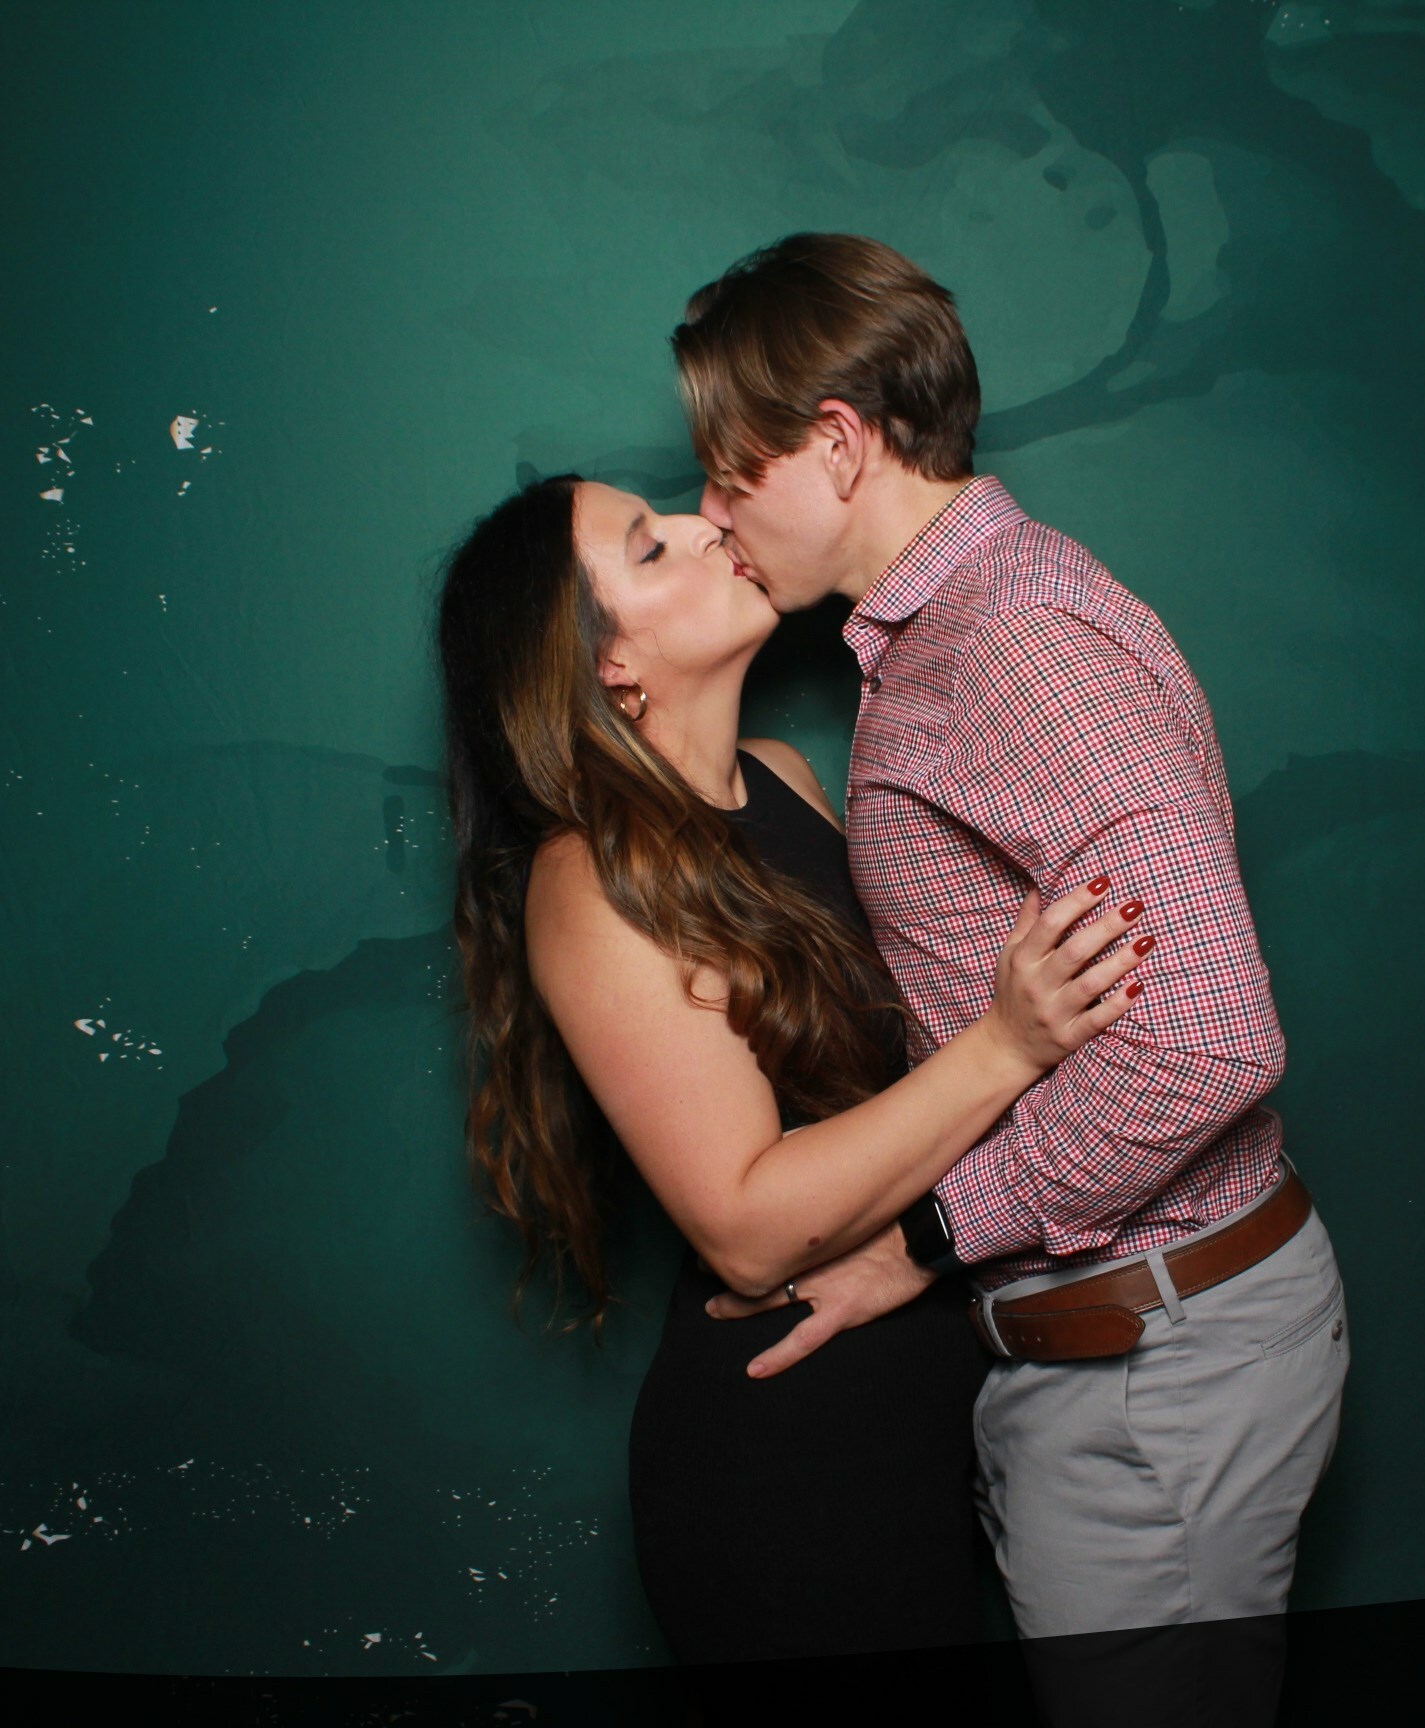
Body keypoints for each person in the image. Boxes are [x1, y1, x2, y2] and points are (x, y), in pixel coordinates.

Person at [677, 233, 1350, 1726]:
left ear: (837, 443)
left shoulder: (1013, 645)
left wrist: (925, 1237)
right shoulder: (950, 635)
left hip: (1154, 1360)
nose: (715, 516)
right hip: (1113, 1346)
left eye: (729, 473)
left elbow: (1211, 1043)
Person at [435, 474, 1151, 1695]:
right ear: (610, 666)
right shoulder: (589, 882)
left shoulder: (781, 776)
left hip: (938, 1408)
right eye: (652, 548)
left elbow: (901, 1062)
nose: (706, 524)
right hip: (791, 1463)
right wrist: (1007, 1046)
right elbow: (748, 1228)